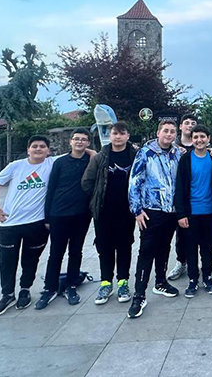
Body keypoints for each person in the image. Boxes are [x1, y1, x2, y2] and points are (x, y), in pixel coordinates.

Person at [0, 136, 56, 316]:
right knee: (6, 261)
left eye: (42, 146)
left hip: (37, 223)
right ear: (28, 150)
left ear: (48, 151)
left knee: (30, 259)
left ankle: (25, 289)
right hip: (10, 223)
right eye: (34, 146)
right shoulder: (16, 166)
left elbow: (81, 151)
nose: (38, 149)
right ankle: (7, 294)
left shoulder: (51, 164)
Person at [126, 120, 182, 319]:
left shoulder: (177, 153)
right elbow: (135, 181)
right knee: (147, 251)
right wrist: (136, 210)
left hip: (171, 210)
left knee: (164, 247)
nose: (169, 134)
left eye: (172, 131)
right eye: (165, 130)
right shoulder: (145, 153)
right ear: (158, 132)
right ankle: (139, 294)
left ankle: (160, 281)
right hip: (151, 210)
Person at [35, 128, 94, 309]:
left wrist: (90, 153)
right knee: (56, 252)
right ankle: (50, 288)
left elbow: (99, 157)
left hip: (81, 214)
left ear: (88, 143)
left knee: (76, 251)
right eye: (76, 139)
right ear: (70, 141)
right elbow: (51, 189)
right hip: (59, 213)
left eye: (83, 139)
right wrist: (47, 217)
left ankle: (71, 285)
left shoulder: (90, 162)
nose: (79, 142)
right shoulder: (60, 162)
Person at [81, 121, 137, 305]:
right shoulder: (100, 157)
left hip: (127, 211)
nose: (118, 137)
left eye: (121, 133)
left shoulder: (135, 155)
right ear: (110, 136)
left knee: (124, 246)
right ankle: (106, 282)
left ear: (127, 136)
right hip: (104, 211)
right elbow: (87, 182)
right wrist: (97, 199)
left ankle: (123, 282)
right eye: (115, 133)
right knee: (104, 247)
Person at [175, 125, 212, 298]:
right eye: (196, 137)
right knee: (190, 247)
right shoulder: (185, 160)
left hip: (210, 211)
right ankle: (192, 279)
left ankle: (207, 277)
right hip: (191, 212)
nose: (199, 140)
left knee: (207, 246)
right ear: (192, 140)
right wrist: (181, 214)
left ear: (208, 139)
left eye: (202, 137)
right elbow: (179, 187)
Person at [167, 113, 198, 281]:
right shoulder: (171, 147)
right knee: (181, 232)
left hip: (199, 197)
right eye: (187, 122)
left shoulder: (201, 145)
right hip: (178, 197)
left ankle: (206, 261)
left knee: (204, 232)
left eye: (193, 123)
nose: (190, 125)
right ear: (181, 126)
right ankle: (181, 261)